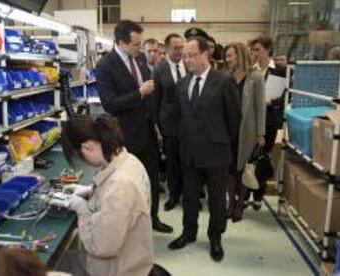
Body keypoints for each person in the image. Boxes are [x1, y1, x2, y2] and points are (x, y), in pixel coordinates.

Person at [168, 36, 241, 262]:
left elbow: (234, 118)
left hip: (216, 153)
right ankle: (188, 233)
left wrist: (221, 140)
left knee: (217, 200)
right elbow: (181, 117)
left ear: (205, 54)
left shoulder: (224, 81)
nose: (186, 60)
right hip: (189, 153)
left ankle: (215, 237)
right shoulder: (182, 84)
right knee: (189, 197)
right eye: (185, 56)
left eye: (191, 55)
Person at [96, 20, 172, 233]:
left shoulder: (138, 60)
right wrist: (138, 92)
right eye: (136, 44)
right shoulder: (105, 66)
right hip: (124, 136)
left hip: (147, 132)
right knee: (128, 184)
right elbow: (109, 103)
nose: (141, 49)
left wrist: (155, 124)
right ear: (121, 42)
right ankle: (130, 227)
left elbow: (149, 96)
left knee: (152, 178)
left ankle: (153, 219)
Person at [59, 114, 155, 276]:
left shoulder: (119, 186)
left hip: (118, 269)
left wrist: (81, 208)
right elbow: (121, 200)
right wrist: (88, 191)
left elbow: (101, 247)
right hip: (133, 255)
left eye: (79, 155)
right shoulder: (129, 160)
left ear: (88, 147)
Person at [224, 42, 266, 222]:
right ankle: (231, 203)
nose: (227, 59)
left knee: (243, 169)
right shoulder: (225, 77)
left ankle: (240, 203)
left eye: (230, 55)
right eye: (226, 56)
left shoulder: (255, 78)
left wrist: (260, 134)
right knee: (229, 169)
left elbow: (260, 107)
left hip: (247, 131)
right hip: (227, 131)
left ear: (239, 55)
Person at [247, 35, 284, 211]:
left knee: (261, 157)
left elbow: (284, 99)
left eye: (258, 49)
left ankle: (258, 194)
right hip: (250, 122)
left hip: (269, 122)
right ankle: (246, 193)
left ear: (268, 50)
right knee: (248, 157)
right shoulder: (249, 71)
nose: (254, 53)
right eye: (252, 50)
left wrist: (271, 102)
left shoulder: (279, 71)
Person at [153, 33, 186, 211]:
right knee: (172, 163)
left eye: (182, 47)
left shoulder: (189, 65)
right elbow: (155, 100)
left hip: (189, 124)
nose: (180, 51)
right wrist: (157, 126)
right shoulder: (160, 69)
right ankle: (174, 195)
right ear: (166, 49)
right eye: (176, 48)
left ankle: (189, 195)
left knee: (188, 163)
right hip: (169, 125)